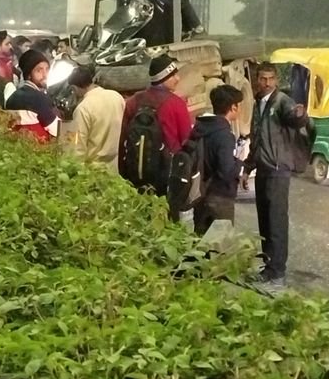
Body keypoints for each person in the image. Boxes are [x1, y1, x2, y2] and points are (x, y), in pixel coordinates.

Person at [241, 62, 312, 290]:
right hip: (263, 168)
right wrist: (247, 168)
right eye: (263, 78)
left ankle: (278, 273)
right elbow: (257, 138)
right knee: (265, 220)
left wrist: (300, 115)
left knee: (277, 221)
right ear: (257, 80)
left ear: (277, 81)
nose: (267, 83)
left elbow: (294, 118)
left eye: (271, 78)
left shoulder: (282, 101)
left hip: (278, 170)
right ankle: (269, 267)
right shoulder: (258, 104)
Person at [118, 54, 193, 213]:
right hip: (166, 177)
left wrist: (124, 173)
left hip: (135, 175)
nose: (178, 79)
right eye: (173, 75)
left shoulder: (133, 101)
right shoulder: (176, 104)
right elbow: (187, 142)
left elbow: (123, 140)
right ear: (163, 77)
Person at [190, 84, 243, 235]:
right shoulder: (225, 135)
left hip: (199, 195)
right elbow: (226, 172)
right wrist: (239, 162)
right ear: (233, 107)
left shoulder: (199, 128)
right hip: (219, 198)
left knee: (200, 246)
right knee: (221, 250)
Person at [63, 65, 125, 168]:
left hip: (94, 171)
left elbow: (78, 147)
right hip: (116, 166)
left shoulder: (83, 109)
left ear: (73, 87)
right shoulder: (116, 97)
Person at [5, 48, 60, 141]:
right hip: (39, 150)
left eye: (47, 69)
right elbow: (57, 130)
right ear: (29, 74)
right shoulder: (38, 98)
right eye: (39, 70)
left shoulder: (13, 96)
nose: (45, 74)